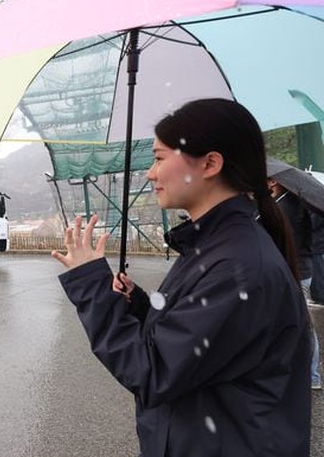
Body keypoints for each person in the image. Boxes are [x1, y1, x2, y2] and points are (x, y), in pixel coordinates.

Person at [52, 98, 311, 457]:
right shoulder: (219, 246)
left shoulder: (238, 267)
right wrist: (139, 303)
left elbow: (154, 372)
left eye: (159, 158)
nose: (150, 173)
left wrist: (92, 287)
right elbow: (198, 338)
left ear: (209, 163)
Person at [267, 175, 323, 390]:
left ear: (274, 182)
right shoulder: (292, 202)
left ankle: (311, 376)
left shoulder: (285, 206)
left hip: (294, 270)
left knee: (300, 324)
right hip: (299, 268)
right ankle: (308, 375)